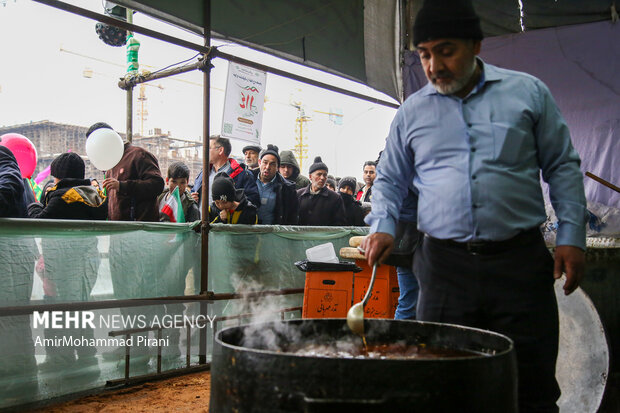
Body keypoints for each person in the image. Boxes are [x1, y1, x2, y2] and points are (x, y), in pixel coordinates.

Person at [362, 0, 586, 411]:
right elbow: (390, 180)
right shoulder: (412, 113)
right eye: (425, 54)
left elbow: (562, 165)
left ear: (476, 45)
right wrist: (383, 224)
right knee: (446, 384)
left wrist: (572, 234)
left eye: (446, 50)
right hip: (444, 270)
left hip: (518, 266)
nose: (433, 66)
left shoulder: (527, 93)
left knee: (531, 387)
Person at [91, 122, 165, 369]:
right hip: (119, 240)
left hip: (139, 238)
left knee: (138, 294)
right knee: (123, 293)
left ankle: (141, 348)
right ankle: (131, 343)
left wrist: (124, 186)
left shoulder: (138, 155)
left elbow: (157, 185)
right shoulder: (109, 163)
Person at [27, 152, 106, 377]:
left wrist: (33, 203)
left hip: (63, 262)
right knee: (79, 310)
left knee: (58, 311)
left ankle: (61, 360)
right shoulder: (91, 194)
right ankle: (87, 362)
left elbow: (39, 223)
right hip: (86, 260)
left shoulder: (63, 197)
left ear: (59, 175)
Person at [192, 136, 260, 207]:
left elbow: (253, 200)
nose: (205, 151)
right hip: (200, 218)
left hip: (225, 218)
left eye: (208, 148)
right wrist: (193, 197)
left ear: (220, 150)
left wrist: (233, 206)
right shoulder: (204, 172)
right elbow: (194, 190)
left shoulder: (241, 174)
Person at [251, 144, 299, 225]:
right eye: (265, 163)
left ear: (277, 167)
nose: (267, 167)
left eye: (272, 164)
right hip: (247, 232)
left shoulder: (287, 188)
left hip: (273, 234)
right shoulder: (248, 179)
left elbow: (292, 217)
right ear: (259, 163)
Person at [297, 157, 346, 226]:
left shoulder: (335, 198)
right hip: (300, 236)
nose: (322, 178)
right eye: (319, 174)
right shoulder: (299, 195)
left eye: (325, 175)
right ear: (310, 176)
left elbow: (339, 223)